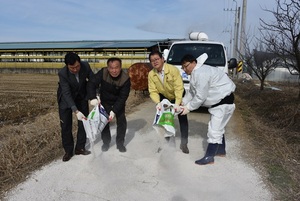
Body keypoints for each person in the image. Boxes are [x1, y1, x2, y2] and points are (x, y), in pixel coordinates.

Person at [180, 54, 236, 165]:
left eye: (185, 66)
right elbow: (191, 92)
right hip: (220, 102)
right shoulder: (196, 72)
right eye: (183, 67)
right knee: (219, 127)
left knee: (214, 130)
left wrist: (188, 108)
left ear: (193, 63)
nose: (184, 69)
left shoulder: (201, 73)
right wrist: (183, 102)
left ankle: (209, 157)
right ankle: (220, 151)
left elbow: (201, 96)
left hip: (223, 101)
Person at [148, 50, 189, 154]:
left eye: (157, 59)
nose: (155, 62)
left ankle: (184, 143)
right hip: (165, 97)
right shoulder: (151, 74)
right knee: (166, 120)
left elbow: (179, 87)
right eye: (152, 60)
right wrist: (158, 103)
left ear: (162, 59)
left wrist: (177, 103)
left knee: (182, 118)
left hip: (178, 96)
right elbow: (152, 90)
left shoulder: (173, 70)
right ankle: (168, 144)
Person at [87, 57, 131, 152]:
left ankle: (120, 144)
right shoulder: (103, 73)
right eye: (111, 68)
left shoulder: (125, 79)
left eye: (116, 67)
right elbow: (91, 83)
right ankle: (106, 143)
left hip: (118, 102)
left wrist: (114, 111)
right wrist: (93, 97)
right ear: (108, 67)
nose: (114, 70)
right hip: (105, 101)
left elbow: (123, 97)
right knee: (104, 122)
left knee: (122, 122)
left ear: (120, 67)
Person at [57, 52, 94, 162]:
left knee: (83, 122)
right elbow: (66, 93)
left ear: (80, 62)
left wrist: (94, 96)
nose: (75, 69)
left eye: (77, 66)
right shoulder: (62, 73)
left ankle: (80, 148)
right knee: (66, 126)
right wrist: (75, 110)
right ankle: (68, 151)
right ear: (67, 66)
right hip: (66, 99)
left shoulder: (85, 66)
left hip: (81, 97)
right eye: (72, 68)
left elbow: (92, 80)